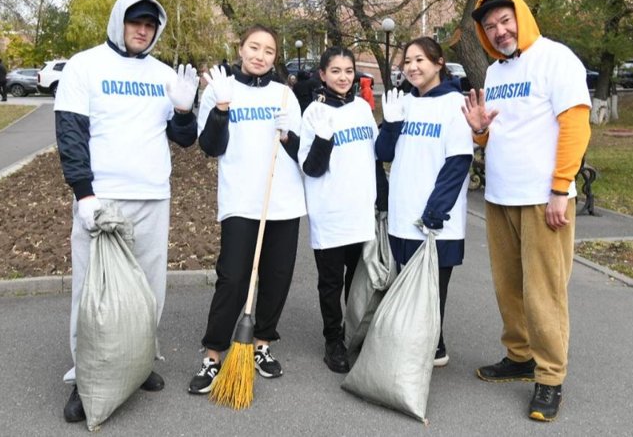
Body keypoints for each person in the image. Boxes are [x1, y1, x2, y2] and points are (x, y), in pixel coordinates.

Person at [54, 0, 199, 423]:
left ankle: (138, 364)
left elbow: (185, 138)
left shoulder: (162, 74)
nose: (142, 30)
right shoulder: (86, 66)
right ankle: (87, 378)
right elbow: (71, 134)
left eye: (150, 24)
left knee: (149, 290)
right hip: (104, 200)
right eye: (135, 21)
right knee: (92, 292)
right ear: (119, 21)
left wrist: (185, 110)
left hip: (153, 195)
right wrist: (84, 195)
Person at [463, 0, 592, 422]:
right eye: (490, 26)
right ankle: (519, 356)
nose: (499, 31)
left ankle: (550, 377)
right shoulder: (496, 72)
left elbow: (576, 125)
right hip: (501, 196)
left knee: (545, 292)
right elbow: (497, 133)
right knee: (510, 287)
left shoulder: (556, 59)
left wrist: (560, 188)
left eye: (505, 20)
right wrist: (480, 132)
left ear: (521, 15)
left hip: (543, 200)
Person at [189, 25, 305, 395]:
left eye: (269, 50)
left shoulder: (285, 95)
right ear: (240, 49)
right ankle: (213, 354)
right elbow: (209, 146)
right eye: (254, 47)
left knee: (277, 276)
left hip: (282, 200)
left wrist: (290, 136)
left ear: (275, 56)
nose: (260, 55)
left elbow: (300, 152)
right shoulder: (222, 89)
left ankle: (262, 345)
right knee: (234, 277)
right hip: (240, 199)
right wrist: (221, 108)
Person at [375, 36, 473, 368]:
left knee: (431, 291)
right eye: (408, 61)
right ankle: (432, 345)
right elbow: (384, 154)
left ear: (439, 62)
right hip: (403, 216)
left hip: (434, 220)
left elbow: (458, 162)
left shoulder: (454, 104)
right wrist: (390, 124)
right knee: (407, 286)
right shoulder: (405, 103)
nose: (413, 67)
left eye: (420, 60)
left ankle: (427, 348)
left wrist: (435, 212)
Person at [298, 47, 380, 373]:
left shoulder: (362, 108)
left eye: (348, 70)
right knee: (331, 283)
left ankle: (354, 334)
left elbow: (375, 159)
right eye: (335, 70)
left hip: (361, 211)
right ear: (322, 74)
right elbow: (311, 169)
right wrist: (323, 138)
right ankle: (333, 341)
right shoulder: (314, 114)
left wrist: (381, 204)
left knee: (358, 281)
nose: (343, 77)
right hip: (331, 213)